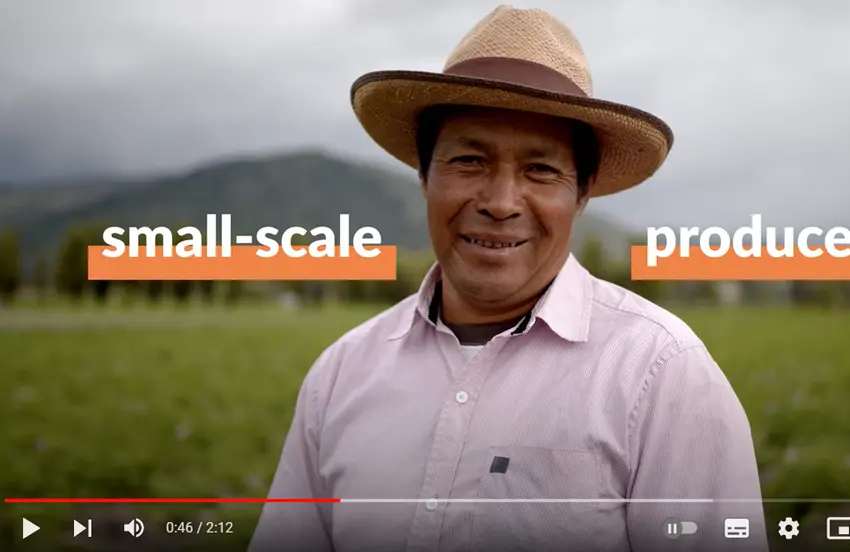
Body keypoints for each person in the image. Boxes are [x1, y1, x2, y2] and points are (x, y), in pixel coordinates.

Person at [250, 5, 767, 552]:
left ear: (582, 193)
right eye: (469, 161)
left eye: (541, 170)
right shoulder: (340, 375)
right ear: (425, 176)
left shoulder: (662, 374)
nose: (499, 204)